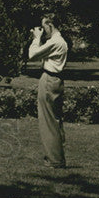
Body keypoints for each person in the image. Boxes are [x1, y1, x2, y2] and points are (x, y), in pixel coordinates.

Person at [28, 13, 68, 168]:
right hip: (57, 80)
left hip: (49, 80)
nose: (42, 30)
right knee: (55, 120)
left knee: (47, 121)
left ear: (50, 25)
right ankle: (57, 157)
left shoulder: (55, 42)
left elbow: (32, 55)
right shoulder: (60, 41)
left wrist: (36, 38)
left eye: (44, 26)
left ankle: (54, 160)